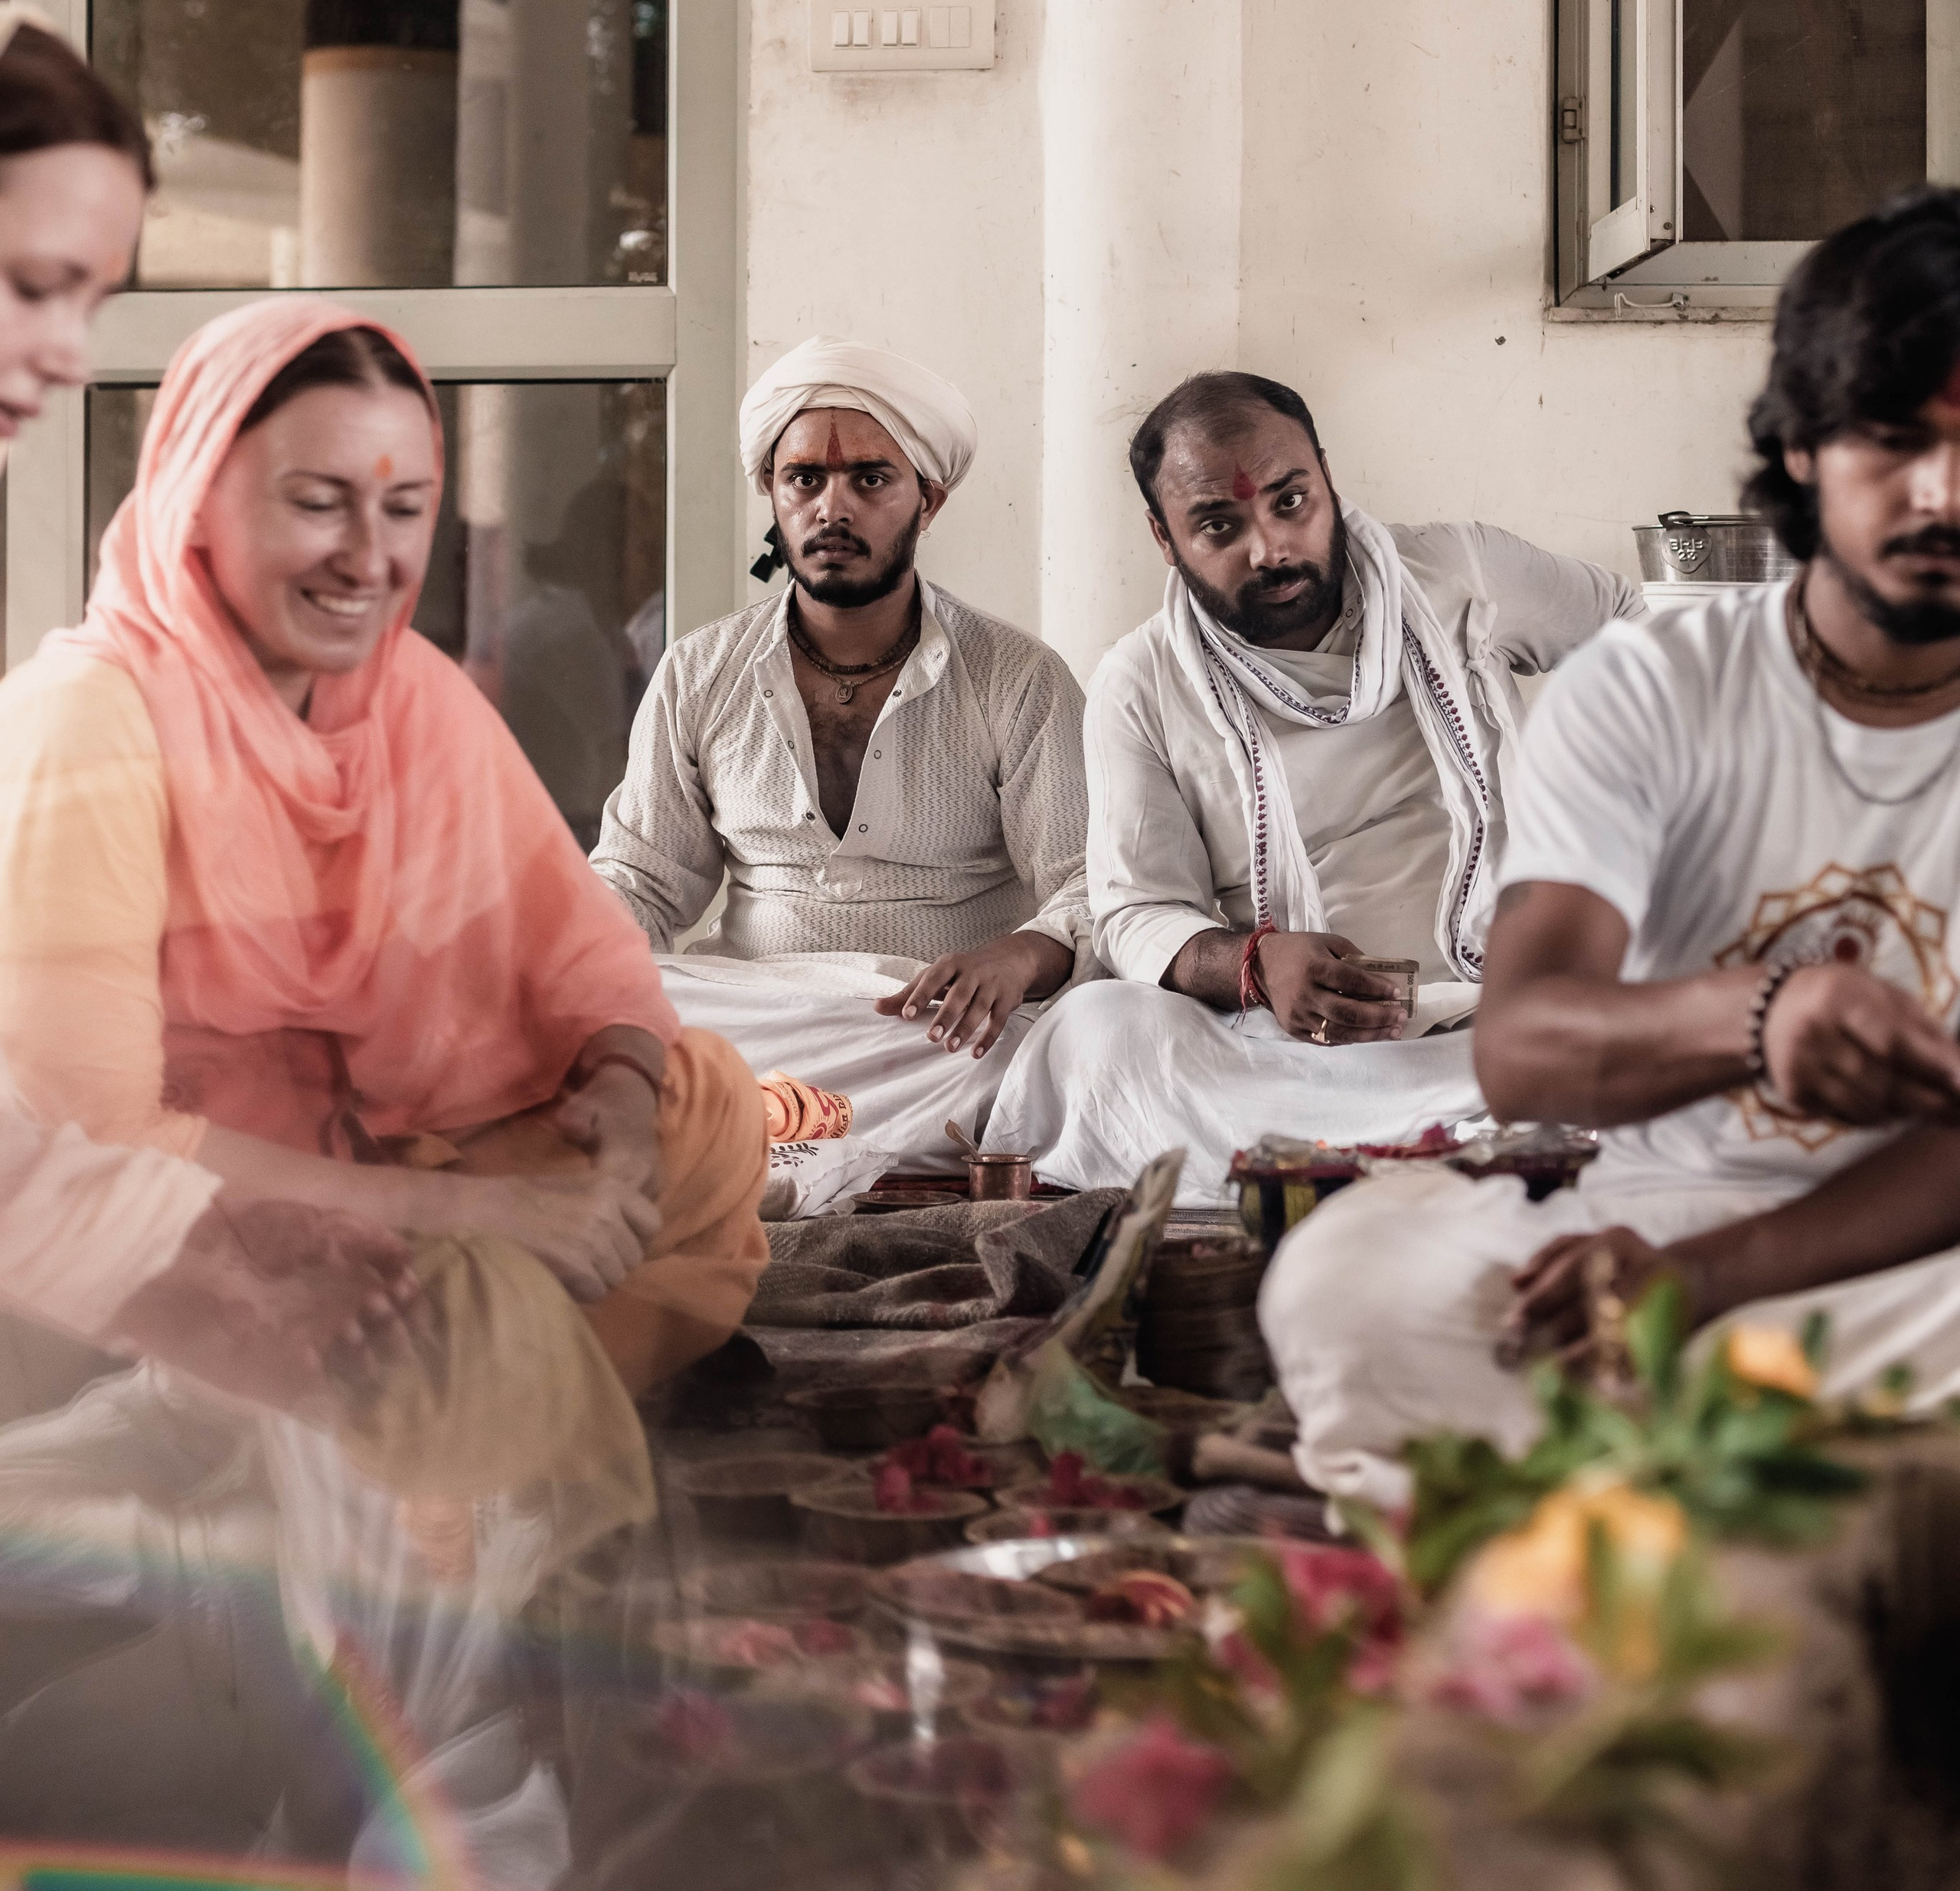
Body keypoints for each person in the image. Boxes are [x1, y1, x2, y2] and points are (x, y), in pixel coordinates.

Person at [1261, 191, 1960, 1511]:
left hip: (1906, 1261)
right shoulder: (1653, 685)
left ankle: (1637, 1483)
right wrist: (1761, 1016)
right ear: (1804, 448)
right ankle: (1768, 1479)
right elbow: (1524, 1047)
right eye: (1894, 439)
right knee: (1346, 1282)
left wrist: (1708, 1288)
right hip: (1660, 1223)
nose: (1944, 493)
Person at [0, 292, 768, 1399]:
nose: (369, 559)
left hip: (383, 1156)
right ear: (195, 498)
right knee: (347, 1325)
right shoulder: (88, 722)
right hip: (183, 1220)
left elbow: (581, 954)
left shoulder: (406, 695)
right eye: (319, 503)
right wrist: (485, 1211)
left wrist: (624, 1102)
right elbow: (107, 1142)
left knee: (705, 1098)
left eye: (405, 508)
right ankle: (435, 1380)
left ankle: (493, 1351)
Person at [0, 7, 419, 1419]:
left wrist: (245, 1251)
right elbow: (81, 1116)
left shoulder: (358, 729)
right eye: (30, 283)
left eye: (91, 303)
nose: (64, 355)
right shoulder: (90, 720)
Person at [985, 369, 1641, 1200]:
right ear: (1164, 538)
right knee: (1099, 1031)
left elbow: (1636, 634)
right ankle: (1469, 1152)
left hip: (1507, 1002)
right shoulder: (1141, 682)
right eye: (1219, 524)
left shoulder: (1455, 574)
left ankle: (1355, 1163)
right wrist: (1258, 967)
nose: (1270, 548)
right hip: (1288, 1048)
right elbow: (1135, 910)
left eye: (1290, 501)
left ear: (1327, 480)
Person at [593, 337, 1093, 1168]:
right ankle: (791, 1134)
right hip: (761, 1014)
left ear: (926, 501)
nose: (833, 508)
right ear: (771, 492)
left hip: (931, 1035)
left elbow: (1090, 882)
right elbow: (641, 880)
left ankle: (765, 1139)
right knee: (605, 1016)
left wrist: (1018, 956)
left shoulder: (1018, 677)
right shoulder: (699, 671)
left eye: (870, 479)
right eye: (805, 480)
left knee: (1067, 1051)